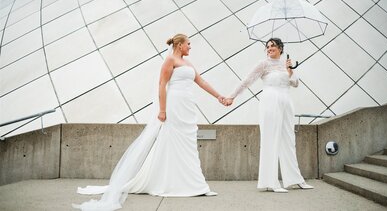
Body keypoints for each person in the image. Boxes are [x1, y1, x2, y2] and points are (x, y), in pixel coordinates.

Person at [73, 34, 224, 210]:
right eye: (188, 44)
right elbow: (162, 85)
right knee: (172, 142)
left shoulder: (188, 63)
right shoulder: (169, 61)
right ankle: (172, 183)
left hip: (187, 107)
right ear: (180, 45)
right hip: (174, 105)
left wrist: (219, 96)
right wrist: (162, 109)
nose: (190, 47)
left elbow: (202, 81)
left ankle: (194, 184)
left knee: (188, 143)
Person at [224, 38, 313, 193]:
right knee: (271, 139)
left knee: (288, 139)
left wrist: (290, 70)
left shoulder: (286, 64)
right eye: (267, 47)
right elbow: (247, 81)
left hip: (286, 102)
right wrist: (232, 96)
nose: (269, 48)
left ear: (280, 48)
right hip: (270, 101)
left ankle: (295, 179)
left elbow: (296, 83)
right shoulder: (263, 64)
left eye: (272, 46)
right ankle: (271, 182)